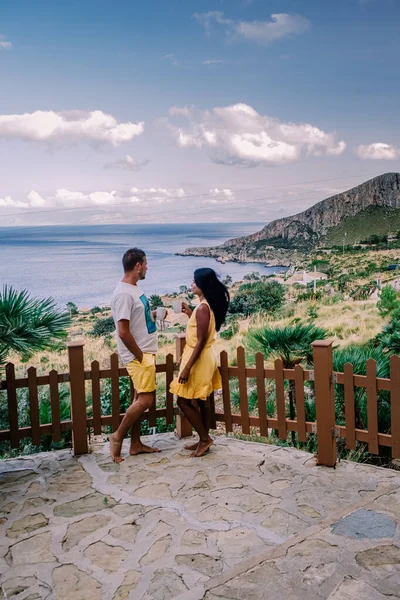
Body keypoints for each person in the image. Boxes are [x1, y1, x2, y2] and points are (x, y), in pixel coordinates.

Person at [109, 248, 163, 463]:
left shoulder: (133, 289)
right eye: (146, 264)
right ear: (138, 265)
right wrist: (140, 355)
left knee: (138, 399)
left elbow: (136, 319)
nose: (147, 267)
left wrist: (155, 315)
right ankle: (117, 436)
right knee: (146, 400)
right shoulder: (123, 293)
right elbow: (123, 331)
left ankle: (136, 444)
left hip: (145, 351)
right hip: (138, 355)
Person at [170, 268, 230, 457]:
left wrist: (187, 367)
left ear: (203, 285)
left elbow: (202, 340)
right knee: (199, 400)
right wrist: (190, 314)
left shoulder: (203, 308)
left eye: (194, 282)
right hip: (200, 356)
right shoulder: (203, 306)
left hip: (199, 360)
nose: (192, 284)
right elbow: (199, 332)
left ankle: (205, 439)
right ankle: (203, 438)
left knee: (183, 400)